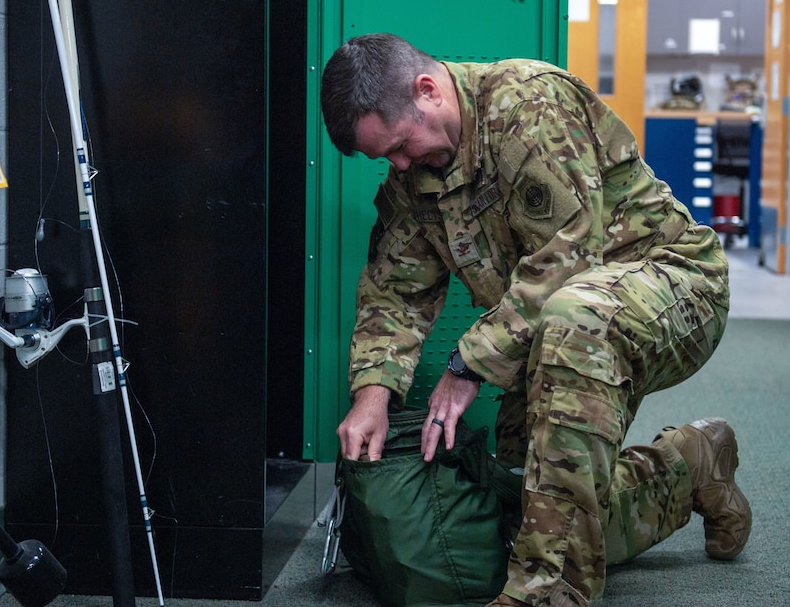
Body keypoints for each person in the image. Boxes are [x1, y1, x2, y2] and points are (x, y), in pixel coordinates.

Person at [320, 33, 751, 606]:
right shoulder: (414, 178)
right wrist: (372, 392)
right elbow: (395, 292)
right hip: (560, 331)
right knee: (536, 510)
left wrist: (467, 363)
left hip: (676, 286)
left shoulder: (528, 104)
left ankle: (550, 593)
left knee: (576, 317)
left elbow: (569, 259)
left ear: (428, 90)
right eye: (387, 159)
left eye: (401, 145)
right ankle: (687, 466)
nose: (400, 165)